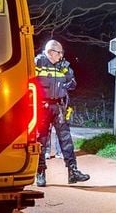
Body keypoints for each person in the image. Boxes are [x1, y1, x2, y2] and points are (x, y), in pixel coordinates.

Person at [34, 39, 90, 186]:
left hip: (59, 106)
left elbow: (72, 83)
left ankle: (73, 172)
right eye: (59, 52)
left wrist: (67, 76)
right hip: (41, 107)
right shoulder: (37, 63)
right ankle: (40, 172)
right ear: (51, 52)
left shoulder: (62, 66)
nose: (61, 55)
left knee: (66, 139)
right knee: (41, 141)